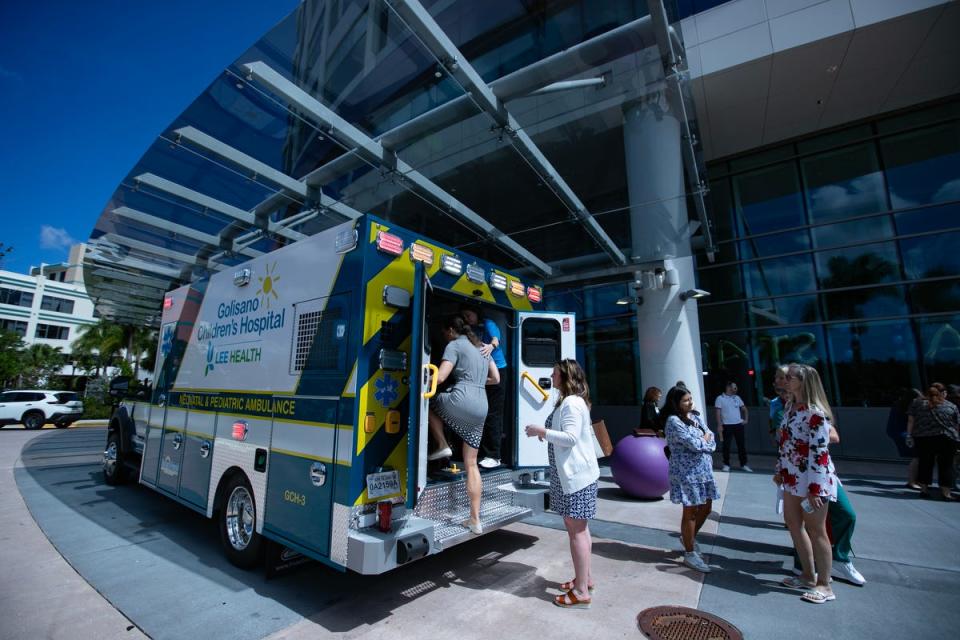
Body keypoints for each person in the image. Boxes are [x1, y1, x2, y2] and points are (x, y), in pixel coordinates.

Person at [524, 359, 599, 609]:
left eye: (555, 373)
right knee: (579, 529)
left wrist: (540, 431)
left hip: (575, 478)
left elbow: (569, 438)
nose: (551, 376)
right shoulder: (569, 402)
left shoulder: (571, 403)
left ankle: (580, 592)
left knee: (576, 530)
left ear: (565, 376)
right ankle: (584, 578)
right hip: (572, 477)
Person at [427, 315, 501, 534]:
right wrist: (477, 382)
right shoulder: (482, 347)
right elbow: (496, 379)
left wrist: (419, 379)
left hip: (462, 399)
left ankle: (442, 444)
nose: (444, 337)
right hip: (481, 406)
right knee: (471, 464)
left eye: (444, 333)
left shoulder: (454, 345)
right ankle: (475, 520)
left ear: (451, 330)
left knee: (429, 404)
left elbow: (440, 378)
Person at [775, 363, 838, 604]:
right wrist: (780, 470)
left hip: (813, 481)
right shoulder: (791, 408)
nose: (786, 380)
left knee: (817, 529)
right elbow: (785, 444)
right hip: (792, 478)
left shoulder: (816, 414)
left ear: (804, 382)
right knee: (793, 524)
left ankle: (825, 584)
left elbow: (819, 453)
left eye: (790, 377)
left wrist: (816, 489)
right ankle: (808, 575)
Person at [662, 385, 719, 573]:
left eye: (690, 398)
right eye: (685, 400)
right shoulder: (673, 421)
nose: (690, 402)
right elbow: (694, 443)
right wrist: (705, 440)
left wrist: (705, 440)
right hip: (687, 473)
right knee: (690, 511)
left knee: (706, 507)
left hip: (704, 470)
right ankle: (689, 550)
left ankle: (689, 537)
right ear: (676, 403)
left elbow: (711, 440)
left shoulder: (695, 417)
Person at [461, 305, 507, 469]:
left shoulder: (488, 323)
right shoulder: (469, 330)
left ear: (476, 312)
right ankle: (481, 452)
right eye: (464, 315)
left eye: (469, 313)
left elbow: (496, 338)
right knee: (481, 413)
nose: (467, 318)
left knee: (493, 414)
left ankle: (494, 456)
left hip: (498, 372)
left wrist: (491, 346)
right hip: (481, 373)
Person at [906, 383, 959, 501]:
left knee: (925, 463)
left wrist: (909, 435)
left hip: (924, 438)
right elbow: (956, 425)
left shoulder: (916, 403)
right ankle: (946, 493)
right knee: (946, 465)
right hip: (947, 438)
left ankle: (924, 490)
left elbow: (911, 420)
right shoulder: (950, 405)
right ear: (942, 393)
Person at [887, 388, 923, 489]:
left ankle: (915, 481)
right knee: (917, 456)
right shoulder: (908, 407)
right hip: (903, 432)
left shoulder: (899, 404)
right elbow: (910, 421)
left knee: (917, 456)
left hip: (898, 431)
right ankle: (912, 481)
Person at [715, 382, 751, 472]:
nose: (736, 389)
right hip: (726, 425)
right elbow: (718, 413)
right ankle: (726, 464)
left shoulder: (737, 398)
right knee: (726, 446)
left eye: (736, 387)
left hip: (738, 425)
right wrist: (719, 425)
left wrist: (746, 420)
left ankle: (744, 464)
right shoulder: (720, 398)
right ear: (728, 387)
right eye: (734, 387)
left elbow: (744, 409)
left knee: (741, 445)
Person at [769, 366, 790, 448]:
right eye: (776, 378)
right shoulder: (774, 402)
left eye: (781, 378)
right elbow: (771, 420)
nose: (777, 381)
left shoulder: (800, 400)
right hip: (781, 442)